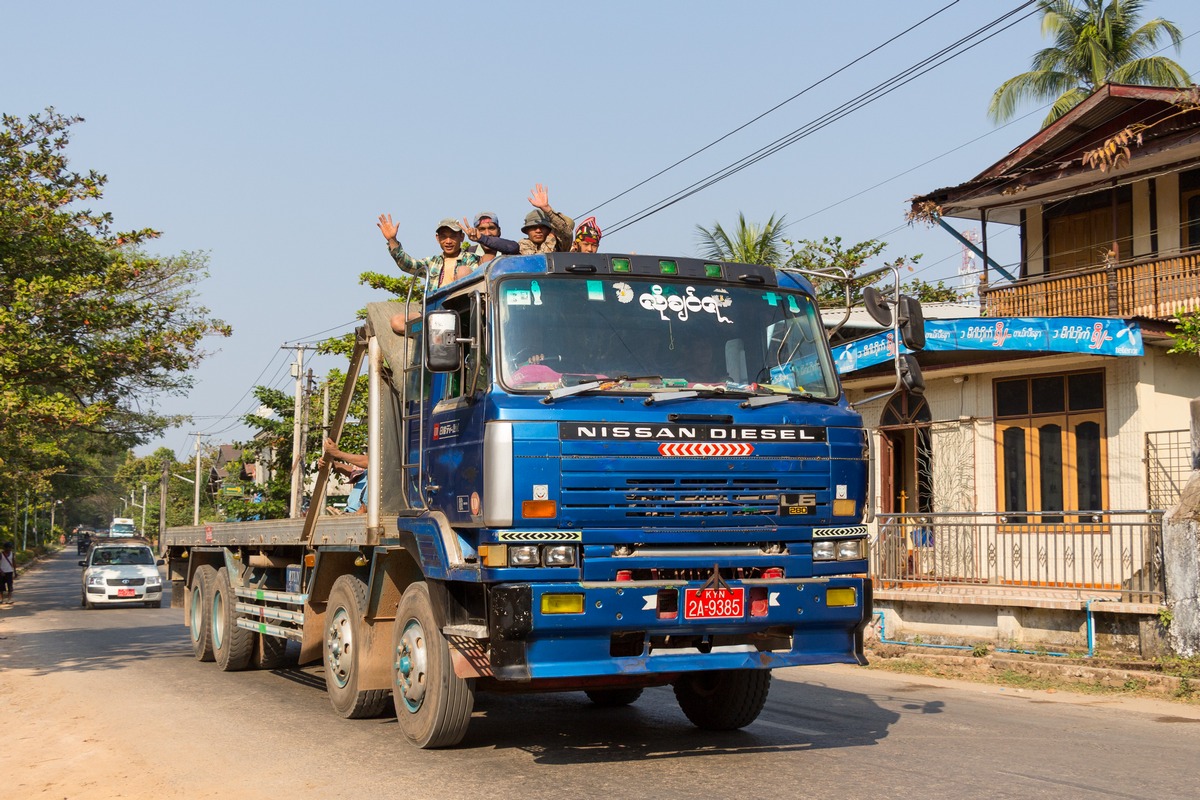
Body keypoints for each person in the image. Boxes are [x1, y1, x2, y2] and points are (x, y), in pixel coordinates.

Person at [377, 215, 482, 289]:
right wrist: (392, 240)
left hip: (458, 307)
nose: (448, 241)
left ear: (462, 237)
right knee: (397, 320)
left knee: (463, 271)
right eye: (444, 237)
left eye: (453, 236)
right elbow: (407, 264)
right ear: (437, 238)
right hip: (434, 307)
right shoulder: (432, 262)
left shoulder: (470, 258)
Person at [518, 184, 574, 254]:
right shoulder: (523, 245)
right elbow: (539, 261)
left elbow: (566, 232)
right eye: (533, 227)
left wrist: (548, 210)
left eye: (542, 227)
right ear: (527, 231)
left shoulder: (559, 245)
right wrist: (550, 240)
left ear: (549, 230)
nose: (538, 231)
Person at [319, 437, 368, 515]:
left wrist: (337, 453)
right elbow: (356, 472)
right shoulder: (368, 471)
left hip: (364, 514)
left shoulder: (383, 463)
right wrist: (332, 463)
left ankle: (362, 510)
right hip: (351, 511)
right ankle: (349, 513)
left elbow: (370, 461)